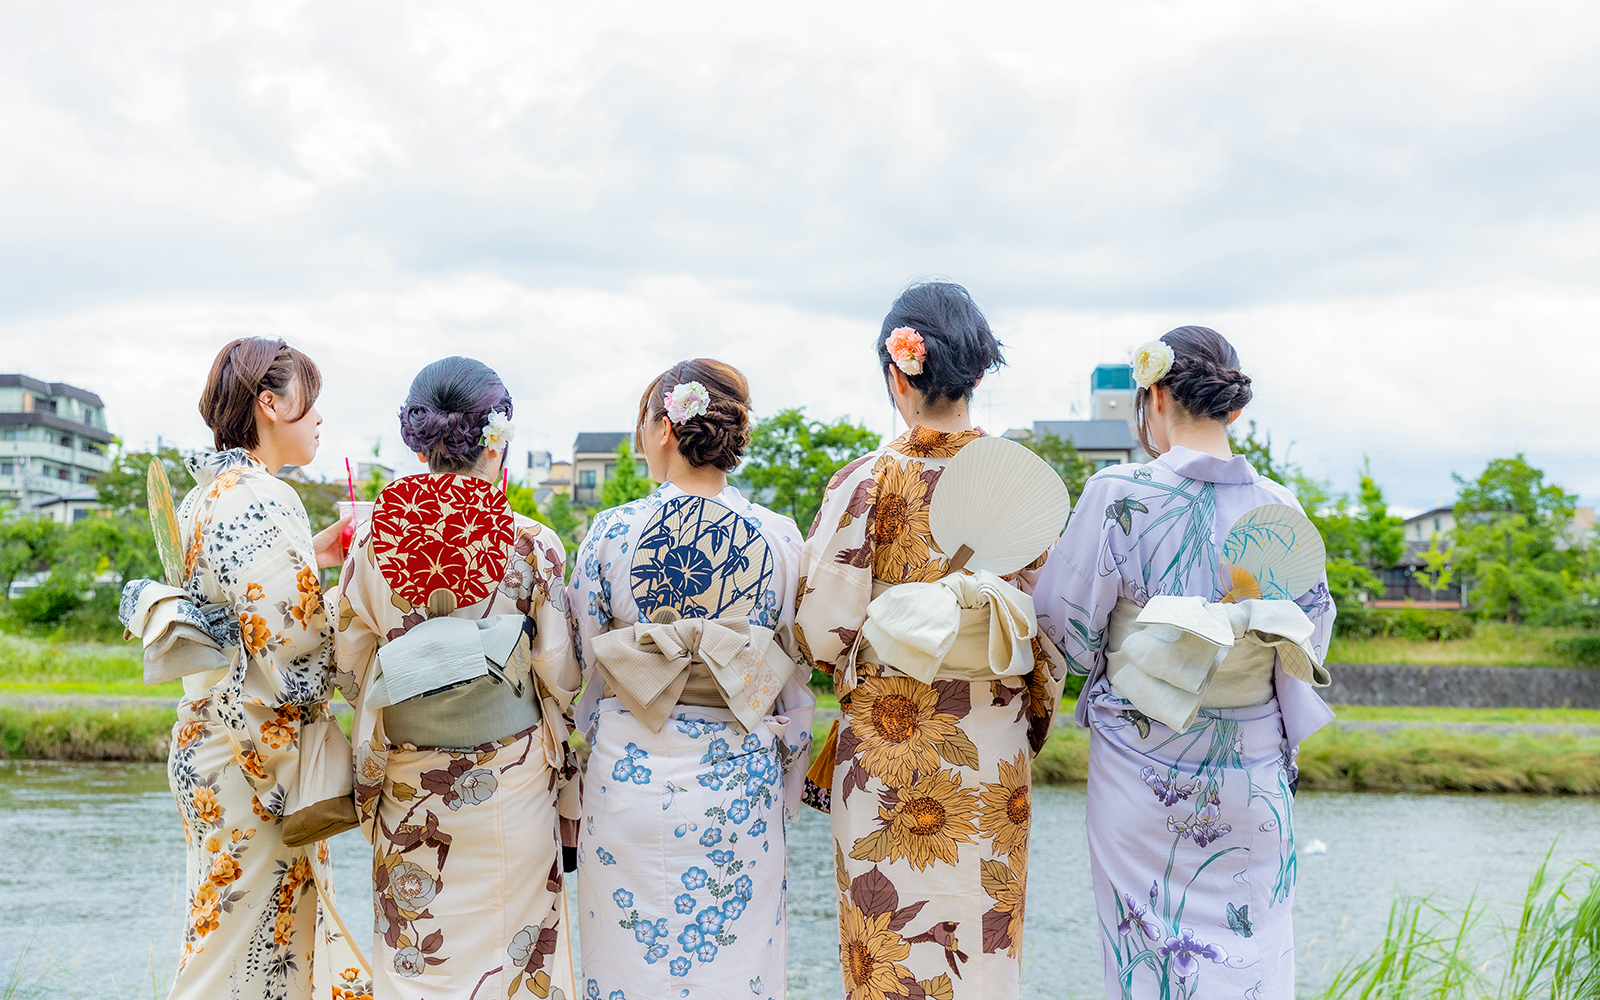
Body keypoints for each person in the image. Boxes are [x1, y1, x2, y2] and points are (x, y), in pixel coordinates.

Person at [1032, 326, 1335, 998]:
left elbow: (1066, 629)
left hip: (1143, 772)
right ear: (1233, 406)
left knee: (1150, 961)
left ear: (1156, 396)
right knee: (1253, 960)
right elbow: (1308, 636)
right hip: (1251, 766)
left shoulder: (1117, 492)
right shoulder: (1279, 505)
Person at [795, 282, 1068, 1000]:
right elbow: (1059, 626)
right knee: (983, 942)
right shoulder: (1023, 486)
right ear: (978, 372)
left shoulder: (865, 482)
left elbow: (820, 630)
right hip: (989, 741)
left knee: (884, 947)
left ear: (897, 372)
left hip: (888, 742)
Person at [119, 337, 368, 1000]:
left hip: (212, 739)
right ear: (269, 403)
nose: (319, 419)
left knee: (238, 933)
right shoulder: (261, 496)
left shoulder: (210, 494)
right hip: (248, 753)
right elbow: (293, 643)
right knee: (238, 947)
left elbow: (243, 603)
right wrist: (361, 605)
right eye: (310, 402)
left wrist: (311, 561)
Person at [566, 359, 815, 1000]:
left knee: (624, 963)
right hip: (737, 783)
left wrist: (591, 723)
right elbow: (797, 662)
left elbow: (583, 662)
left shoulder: (612, 534)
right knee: (733, 968)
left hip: (630, 774)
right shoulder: (777, 538)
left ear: (664, 432)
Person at [333, 357, 580, 1000]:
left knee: (417, 962)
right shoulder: (531, 543)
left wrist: (417, 684)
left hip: (410, 780)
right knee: (517, 963)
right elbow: (561, 675)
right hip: (512, 781)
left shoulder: (369, 543)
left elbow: (351, 664)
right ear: (497, 436)